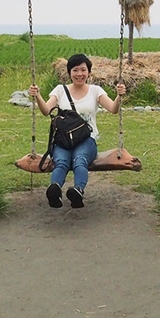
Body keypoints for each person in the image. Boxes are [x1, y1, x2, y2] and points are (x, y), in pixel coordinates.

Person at [28, 53, 126, 209]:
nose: (79, 74)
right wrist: (38, 96)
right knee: (61, 162)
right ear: (69, 73)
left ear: (89, 72)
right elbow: (46, 110)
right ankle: (55, 190)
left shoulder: (96, 91)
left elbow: (113, 109)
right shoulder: (60, 90)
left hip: (87, 139)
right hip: (63, 140)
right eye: (75, 70)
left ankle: (77, 191)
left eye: (83, 70)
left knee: (79, 159)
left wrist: (119, 97)